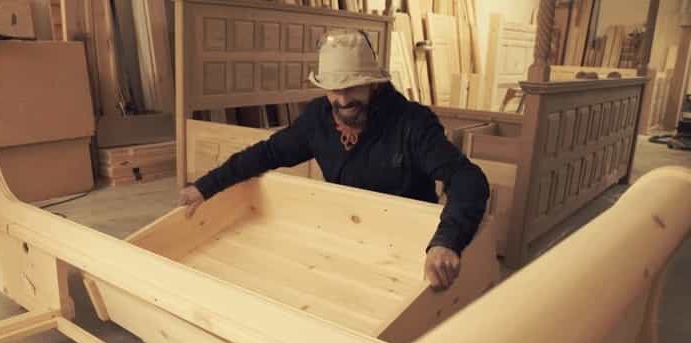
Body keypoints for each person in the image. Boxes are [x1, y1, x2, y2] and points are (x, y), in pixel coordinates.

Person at [178, 29, 489, 290]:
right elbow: (267, 153)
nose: (342, 101)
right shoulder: (318, 118)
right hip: (345, 240)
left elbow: (467, 179)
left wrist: (446, 241)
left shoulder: (412, 123)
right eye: (333, 90)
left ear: (373, 83)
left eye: (351, 87)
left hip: (409, 251)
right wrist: (206, 187)